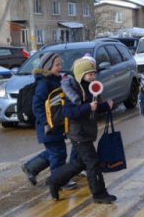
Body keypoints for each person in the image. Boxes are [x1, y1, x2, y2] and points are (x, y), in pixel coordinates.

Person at [47, 57, 117, 204]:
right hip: (78, 133)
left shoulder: (92, 88)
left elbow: (94, 108)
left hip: (87, 131)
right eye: (89, 74)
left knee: (79, 164)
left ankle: (54, 180)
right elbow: (69, 112)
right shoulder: (72, 90)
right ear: (80, 75)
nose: (93, 77)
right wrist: (87, 107)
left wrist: (106, 105)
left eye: (94, 73)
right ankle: (99, 194)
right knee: (93, 163)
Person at [20, 52, 75, 189]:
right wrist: (46, 122)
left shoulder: (54, 80)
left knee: (54, 151)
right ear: (48, 67)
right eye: (57, 65)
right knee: (58, 153)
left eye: (60, 64)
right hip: (48, 126)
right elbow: (37, 106)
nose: (59, 67)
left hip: (56, 124)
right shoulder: (44, 83)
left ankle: (30, 167)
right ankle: (58, 181)